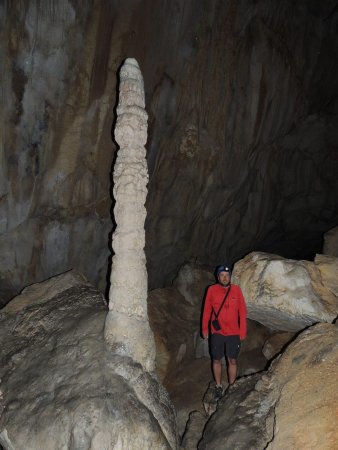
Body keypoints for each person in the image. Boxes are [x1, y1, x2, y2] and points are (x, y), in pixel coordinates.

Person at [202, 263, 247, 401]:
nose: (225, 278)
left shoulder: (236, 290)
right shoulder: (211, 290)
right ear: (218, 277)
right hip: (217, 331)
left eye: (227, 275)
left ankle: (232, 386)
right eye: (222, 275)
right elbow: (207, 311)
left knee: (232, 359)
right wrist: (204, 329)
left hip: (233, 331)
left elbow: (242, 311)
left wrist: (242, 330)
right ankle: (218, 385)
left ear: (230, 277)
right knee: (216, 359)